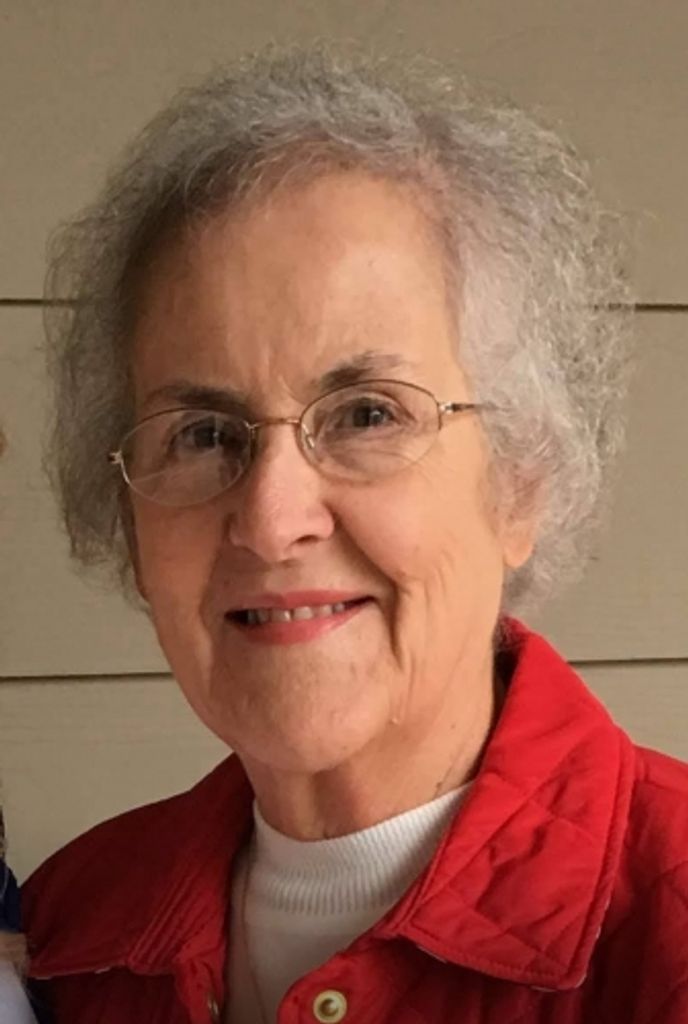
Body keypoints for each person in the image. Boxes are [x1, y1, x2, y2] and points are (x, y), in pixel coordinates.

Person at [22, 45, 688, 1023]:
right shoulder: (66, 934)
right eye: (203, 434)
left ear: (522, 480)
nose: (270, 519)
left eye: (368, 414)